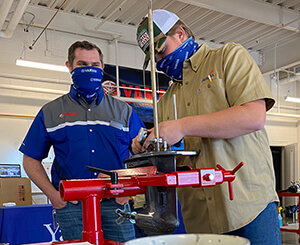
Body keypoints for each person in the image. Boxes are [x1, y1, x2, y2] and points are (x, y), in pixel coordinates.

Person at [132, 9, 281, 244]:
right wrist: (145, 146)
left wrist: (181, 126)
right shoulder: (165, 101)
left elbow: (253, 116)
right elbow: (170, 162)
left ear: (181, 34)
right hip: (200, 219)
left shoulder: (228, 57)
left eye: (161, 50)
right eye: (154, 57)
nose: (159, 61)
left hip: (249, 207)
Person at [19, 40, 144, 242]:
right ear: (69, 66)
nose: (89, 70)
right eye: (82, 64)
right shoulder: (50, 112)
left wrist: (129, 190)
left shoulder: (124, 112)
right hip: (72, 206)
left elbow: (143, 155)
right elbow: (30, 159)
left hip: (116, 203)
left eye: (95, 65)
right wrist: (53, 195)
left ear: (102, 67)